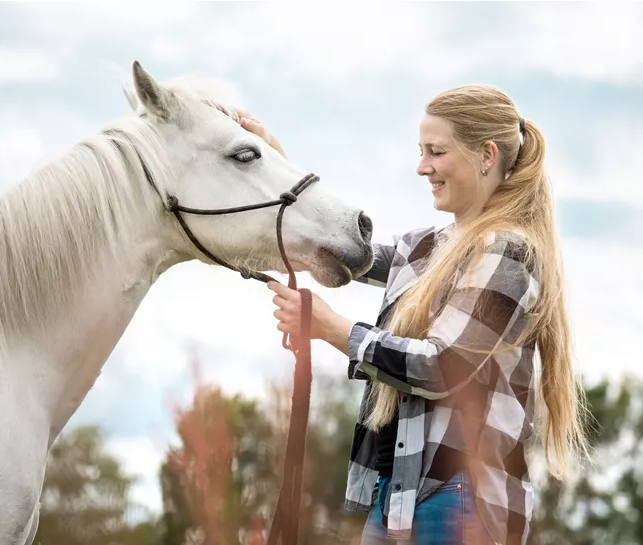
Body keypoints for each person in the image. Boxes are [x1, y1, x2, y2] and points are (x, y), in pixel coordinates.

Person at [236, 85, 589, 545]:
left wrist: (331, 329)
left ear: (486, 154)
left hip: (460, 500)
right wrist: (276, 165)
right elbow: (348, 252)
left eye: (435, 152)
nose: (422, 167)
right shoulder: (428, 247)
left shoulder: (509, 252)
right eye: (421, 152)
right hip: (398, 496)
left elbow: (444, 366)